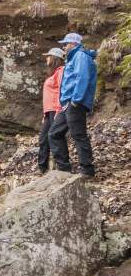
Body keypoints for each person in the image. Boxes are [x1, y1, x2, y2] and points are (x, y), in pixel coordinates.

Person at [48, 32, 97, 177]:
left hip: (75, 102)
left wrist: (76, 100)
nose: (63, 47)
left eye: (65, 44)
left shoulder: (80, 56)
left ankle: (87, 170)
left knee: (79, 135)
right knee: (54, 133)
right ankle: (64, 169)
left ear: (73, 44)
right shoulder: (73, 58)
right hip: (68, 104)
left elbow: (82, 78)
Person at [38, 47, 65, 174]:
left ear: (54, 58)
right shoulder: (52, 74)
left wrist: (59, 109)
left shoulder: (61, 71)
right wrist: (45, 113)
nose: (46, 58)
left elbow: (61, 90)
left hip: (56, 109)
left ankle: (61, 167)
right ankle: (42, 168)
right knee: (43, 139)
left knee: (54, 136)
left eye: (48, 56)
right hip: (49, 111)